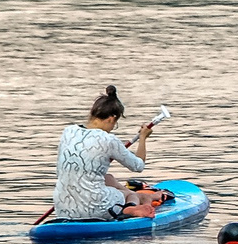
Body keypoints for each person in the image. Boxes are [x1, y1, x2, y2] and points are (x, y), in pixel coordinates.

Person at [50, 87, 164, 220]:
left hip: (62, 208)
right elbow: (138, 166)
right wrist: (143, 138)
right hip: (96, 208)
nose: (111, 129)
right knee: (129, 195)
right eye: (114, 124)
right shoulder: (109, 140)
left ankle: (143, 198)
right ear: (111, 119)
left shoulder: (67, 132)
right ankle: (130, 207)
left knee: (108, 178)